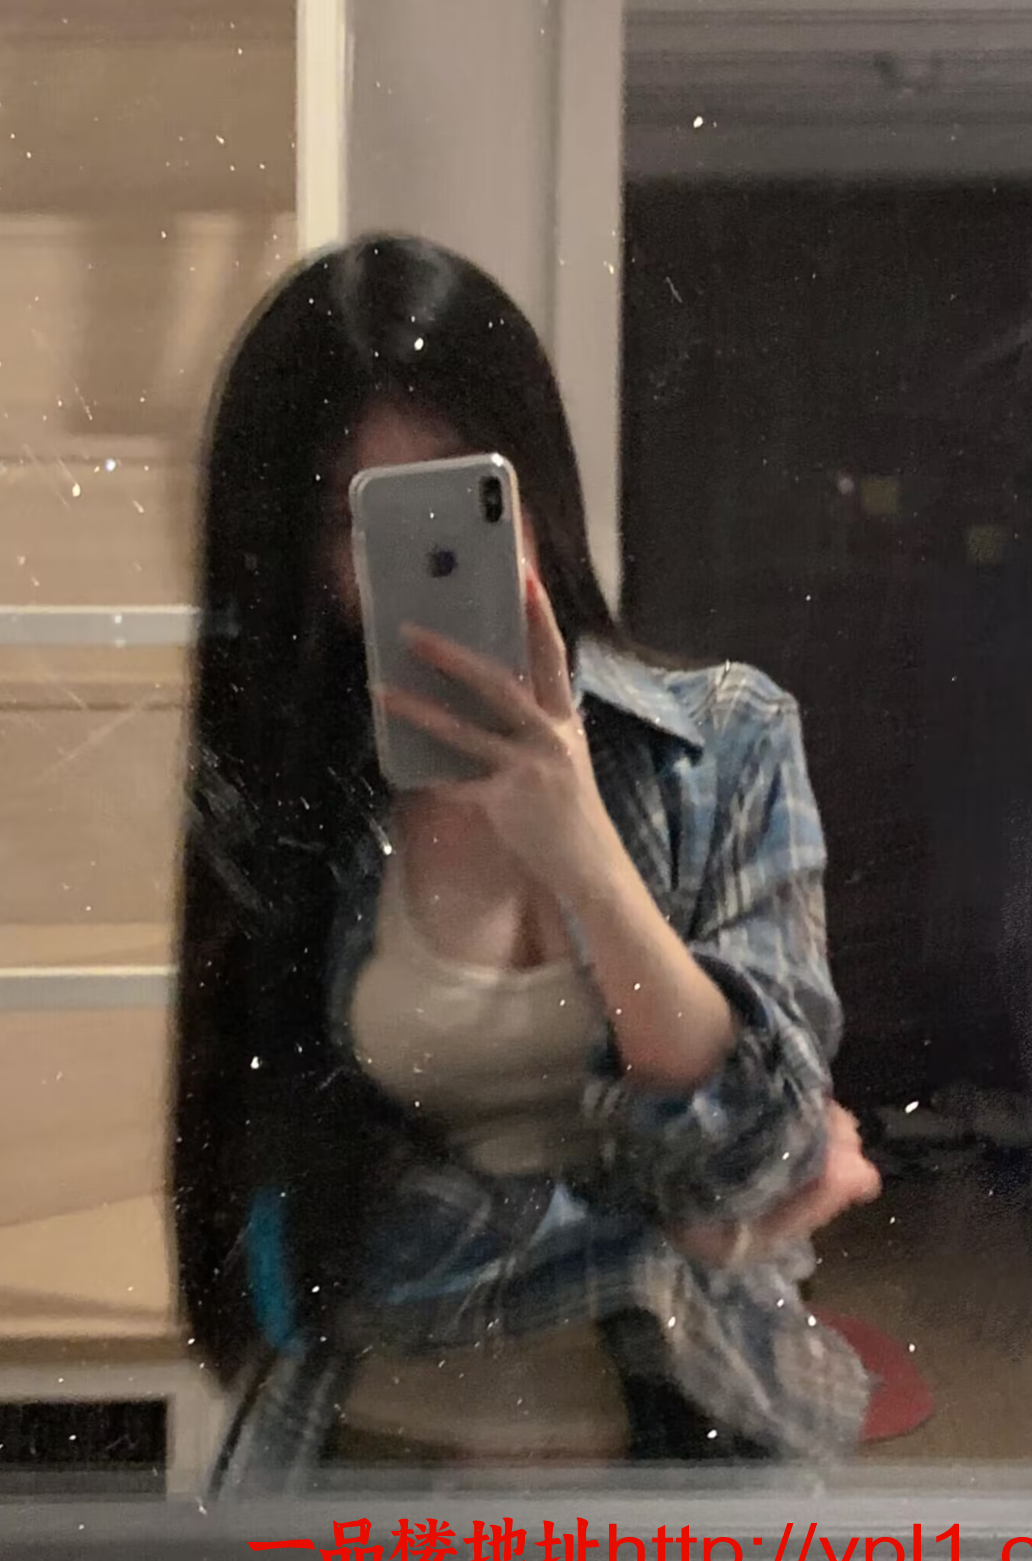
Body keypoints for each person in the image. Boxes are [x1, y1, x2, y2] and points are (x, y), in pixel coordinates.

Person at [172, 234, 881, 1492]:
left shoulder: (724, 741)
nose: (416, 571)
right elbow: (281, 1235)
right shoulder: (295, 794)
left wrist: (578, 841)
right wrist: (678, 1234)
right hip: (362, 1474)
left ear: (532, 478)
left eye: (460, 497)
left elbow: (761, 1148)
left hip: (680, 1469)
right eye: (357, 526)